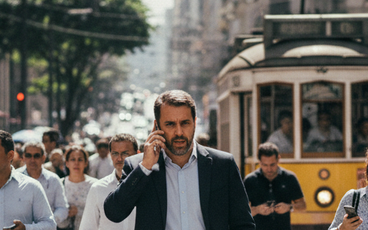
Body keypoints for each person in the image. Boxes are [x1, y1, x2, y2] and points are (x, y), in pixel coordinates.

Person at [104, 89, 255, 230]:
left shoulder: (222, 164)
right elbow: (114, 213)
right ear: (157, 126)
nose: (179, 132)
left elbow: (243, 224)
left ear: (195, 123)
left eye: (185, 123)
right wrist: (145, 167)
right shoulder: (138, 166)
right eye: (170, 124)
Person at [79, 134, 139, 229]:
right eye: (115, 153)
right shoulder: (98, 188)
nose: (119, 158)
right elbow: (88, 226)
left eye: (125, 153)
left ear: (137, 154)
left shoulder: (147, 186)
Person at [243, 143, 306, 230]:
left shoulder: (289, 177)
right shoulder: (250, 180)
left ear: (278, 159)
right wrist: (257, 210)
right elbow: (241, 212)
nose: (269, 169)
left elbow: (303, 205)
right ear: (259, 162)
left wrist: (289, 207)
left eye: (272, 164)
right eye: (265, 165)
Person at [17, 141, 69, 227]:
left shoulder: (53, 179)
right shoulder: (14, 178)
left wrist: (49, 222)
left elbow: (62, 207)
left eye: (36, 156)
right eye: (28, 155)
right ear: (23, 157)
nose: (32, 160)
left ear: (43, 158)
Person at [59, 145, 97, 230]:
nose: (76, 163)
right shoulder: (59, 184)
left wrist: (79, 212)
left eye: (80, 159)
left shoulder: (95, 185)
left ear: (86, 163)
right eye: (73, 159)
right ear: (67, 163)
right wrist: (65, 212)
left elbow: (100, 212)